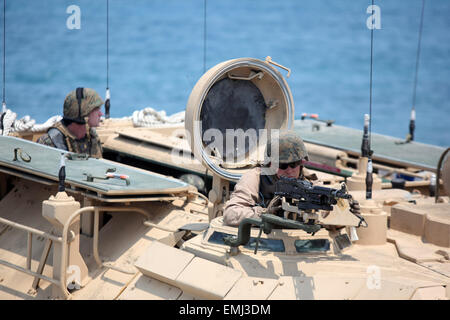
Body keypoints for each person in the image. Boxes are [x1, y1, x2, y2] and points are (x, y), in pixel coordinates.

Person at [223, 130, 360, 226]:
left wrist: (346, 214)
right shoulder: (256, 178)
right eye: (282, 165)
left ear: (301, 163)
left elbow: (325, 217)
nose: (289, 170)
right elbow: (230, 214)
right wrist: (265, 213)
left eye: (293, 164)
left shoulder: (309, 181)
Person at [37, 87, 104, 158]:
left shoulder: (91, 136)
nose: (101, 114)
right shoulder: (50, 142)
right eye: (96, 109)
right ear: (84, 114)